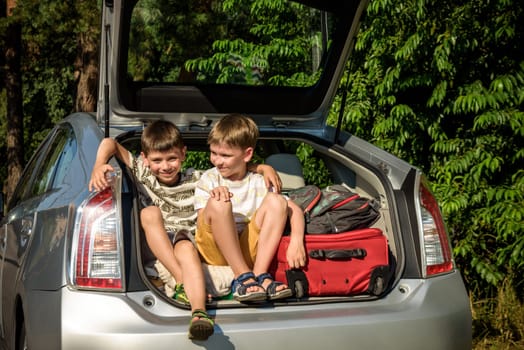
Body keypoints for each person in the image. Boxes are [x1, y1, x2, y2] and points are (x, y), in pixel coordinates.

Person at [88, 120, 281, 340]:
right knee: (149, 213)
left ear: (183, 154)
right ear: (145, 158)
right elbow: (109, 143)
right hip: (158, 241)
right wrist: (99, 164)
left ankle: (199, 313)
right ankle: (182, 282)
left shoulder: (197, 177)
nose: (165, 166)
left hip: (189, 239)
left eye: (171, 158)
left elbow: (231, 168)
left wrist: (263, 167)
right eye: (157, 160)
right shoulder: (144, 174)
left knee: (187, 248)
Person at [194, 114, 307, 303]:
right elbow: (202, 222)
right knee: (219, 202)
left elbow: (293, 210)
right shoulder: (209, 179)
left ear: (247, 154)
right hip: (214, 249)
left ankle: (260, 274)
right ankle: (242, 275)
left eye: (226, 155)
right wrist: (215, 199)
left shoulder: (259, 182)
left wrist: (297, 241)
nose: (217, 161)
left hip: (247, 249)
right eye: (214, 153)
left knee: (277, 201)